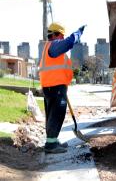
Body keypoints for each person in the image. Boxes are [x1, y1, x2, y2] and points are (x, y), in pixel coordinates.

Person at [39, 22, 85, 153]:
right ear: (57, 35)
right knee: (57, 114)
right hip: (56, 87)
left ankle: (52, 140)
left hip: (52, 86)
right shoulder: (55, 45)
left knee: (52, 114)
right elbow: (70, 42)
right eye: (62, 36)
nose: (63, 38)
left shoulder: (50, 47)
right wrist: (79, 32)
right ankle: (51, 145)